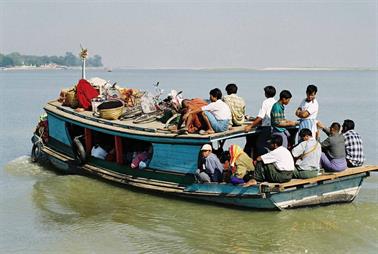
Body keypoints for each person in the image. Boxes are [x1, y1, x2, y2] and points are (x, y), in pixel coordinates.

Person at [244, 85, 276, 157]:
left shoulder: (265, 102)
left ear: (266, 94)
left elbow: (261, 117)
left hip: (267, 127)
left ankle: (262, 159)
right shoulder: (275, 102)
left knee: (259, 145)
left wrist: (250, 126)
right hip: (273, 126)